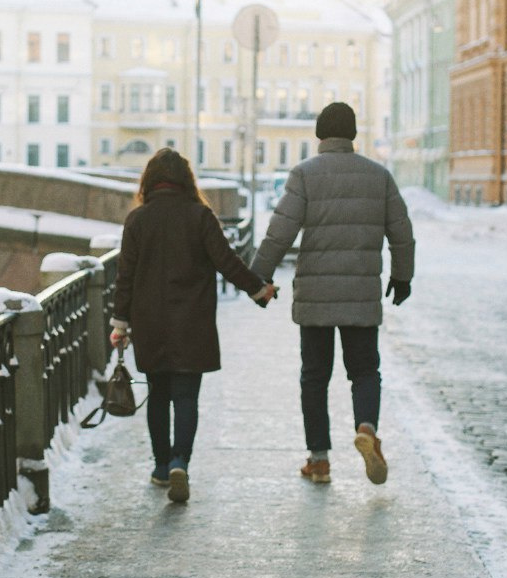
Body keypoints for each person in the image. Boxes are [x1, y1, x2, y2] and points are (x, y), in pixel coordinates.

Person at [250, 102, 414, 486]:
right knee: (365, 371)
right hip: (360, 292)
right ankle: (367, 430)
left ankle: (319, 460)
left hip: (316, 296)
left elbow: (281, 231)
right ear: (353, 134)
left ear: (320, 135)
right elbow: (402, 234)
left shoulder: (305, 174)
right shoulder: (379, 176)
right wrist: (402, 278)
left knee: (314, 376)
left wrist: (258, 277)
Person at [109, 148, 277, 503]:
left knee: (158, 395)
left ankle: (159, 466)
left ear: (150, 181)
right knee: (186, 397)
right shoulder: (200, 216)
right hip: (192, 323)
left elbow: (126, 276)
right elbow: (227, 262)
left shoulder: (137, 220)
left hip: (150, 322)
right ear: (186, 180)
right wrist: (258, 289)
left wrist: (120, 323)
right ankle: (179, 461)